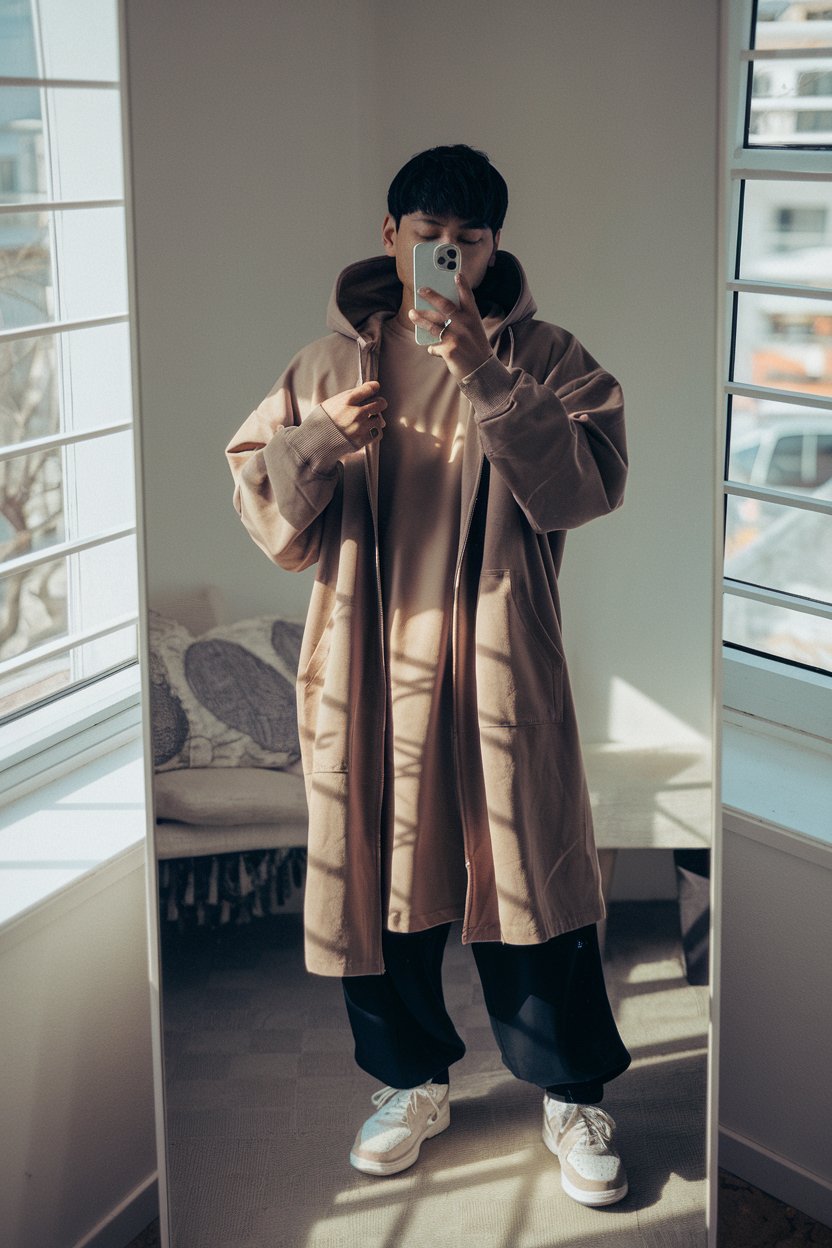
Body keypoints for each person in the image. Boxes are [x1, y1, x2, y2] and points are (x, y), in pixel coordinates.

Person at [226, 145, 631, 1208]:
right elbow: (268, 520)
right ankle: (410, 1082)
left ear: (495, 246)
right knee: (379, 884)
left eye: (469, 237)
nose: (445, 252)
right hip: (369, 663)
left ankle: (570, 1093)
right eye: (426, 232)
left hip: (500, 663)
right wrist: (314, 444)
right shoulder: (322, 367)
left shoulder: (547, 356)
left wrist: (488, 377)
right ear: (391, 232)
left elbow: (584, 488)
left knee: (532, 880)